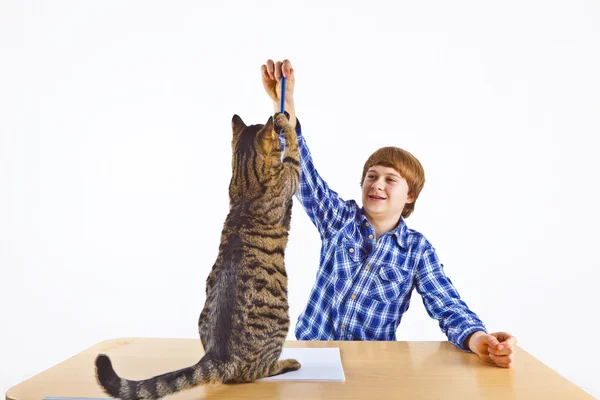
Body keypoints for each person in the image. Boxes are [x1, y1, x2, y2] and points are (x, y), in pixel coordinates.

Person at [260, 59, 517, 368]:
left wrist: (480, 340)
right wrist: (284, 107)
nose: (377, 184)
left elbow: (448, 306)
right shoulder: (338, 220)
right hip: (310, 356)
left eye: (390, 179)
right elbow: (303, 172)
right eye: (372, 175)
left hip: (369, 367)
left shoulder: (417, 251)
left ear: (409, 195)